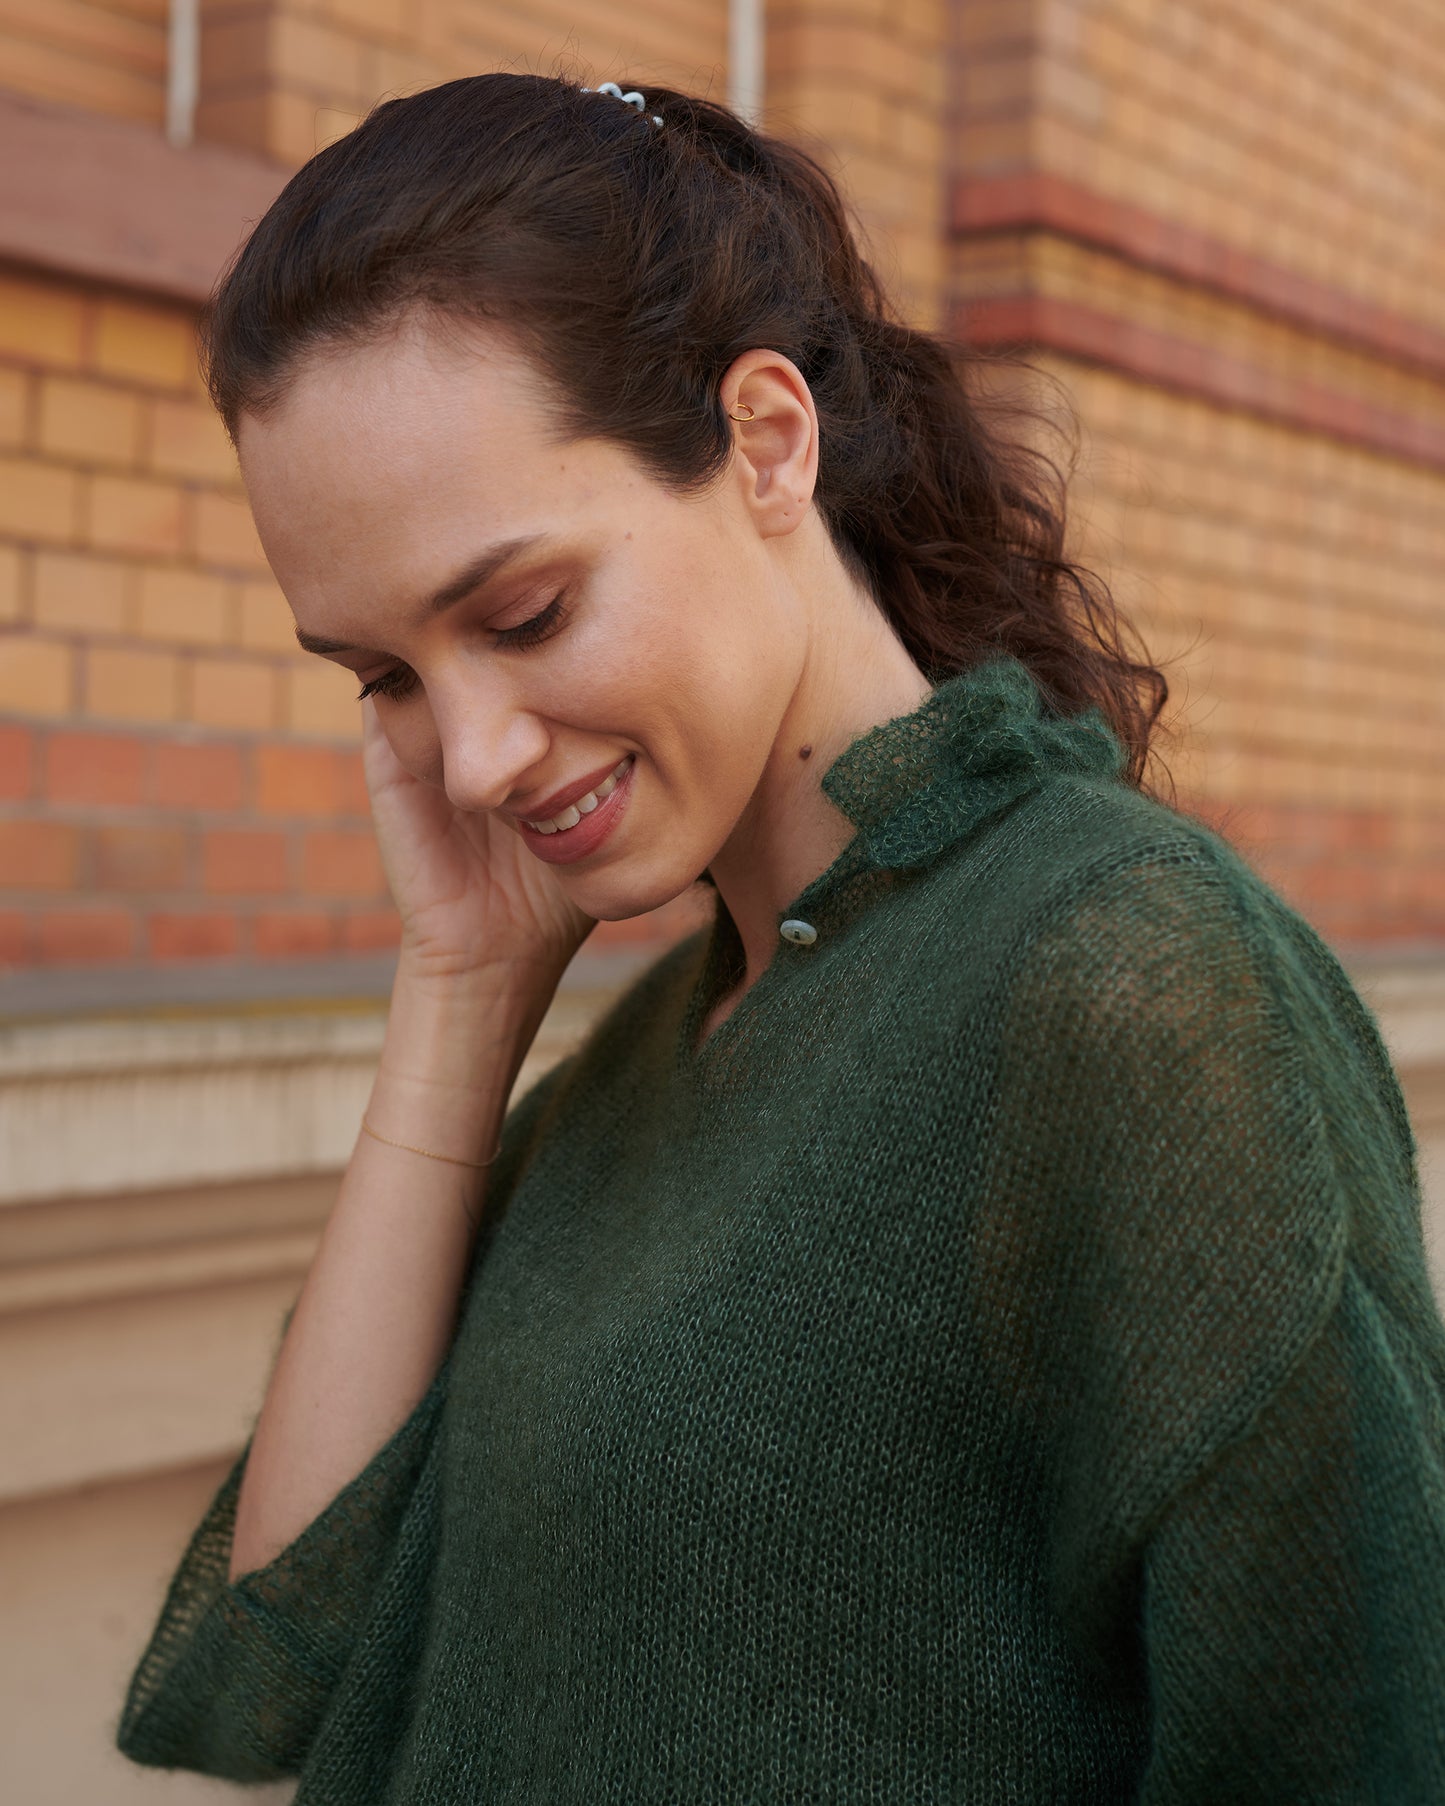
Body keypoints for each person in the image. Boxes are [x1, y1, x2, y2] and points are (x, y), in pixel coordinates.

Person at [116, 72, 1445, 1801]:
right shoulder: (653, 1055)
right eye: (387, 676)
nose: (471, 754)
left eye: (521, 614)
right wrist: (456, 989)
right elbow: (255, 1674)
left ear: (764, 439)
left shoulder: (1127, 980)